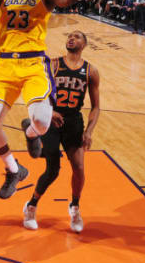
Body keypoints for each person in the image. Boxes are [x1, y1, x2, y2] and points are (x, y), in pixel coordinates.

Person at [0, 0, 99, 200]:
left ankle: (30, 132)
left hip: (33, 63)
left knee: (42, 123)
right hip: (6, 64)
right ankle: (13, 169)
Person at [21, 31, 100, 233]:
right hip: (52, 119)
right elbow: (38, 92)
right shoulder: (54, 64)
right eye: (70, 36)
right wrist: (50, 110)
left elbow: (96, 106)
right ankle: (31, 206)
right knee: (53, 169)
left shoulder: (91, 71)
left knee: (79, 168)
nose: (71, 38)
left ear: (84, 44)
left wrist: (89, 131)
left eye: (77, 37)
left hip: (73, 121)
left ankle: (74, 207)